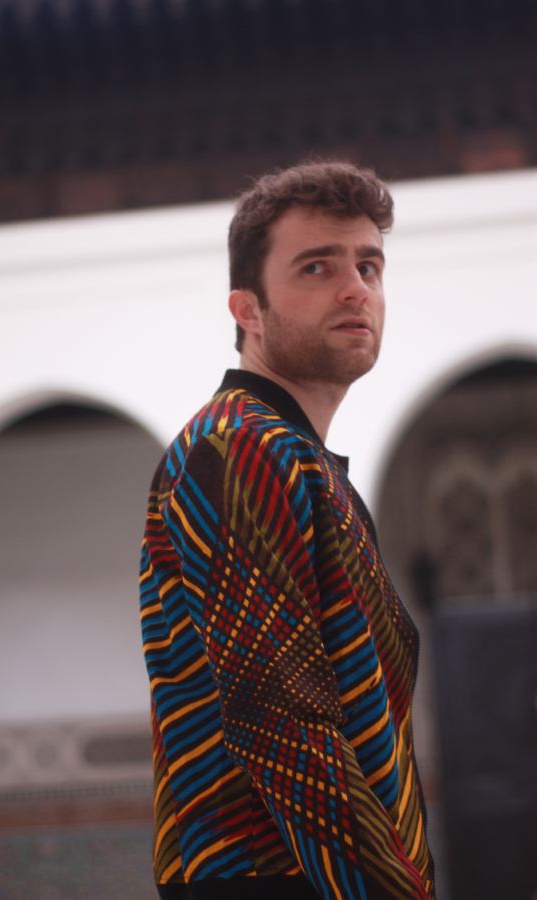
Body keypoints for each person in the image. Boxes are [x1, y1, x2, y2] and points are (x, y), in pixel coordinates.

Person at [139, 161, 435, 900]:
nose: (355, 288)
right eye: (317, 267)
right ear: (248, 309)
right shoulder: (240, 445)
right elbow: (279, 717)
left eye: (369, 266)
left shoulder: (295, 457)